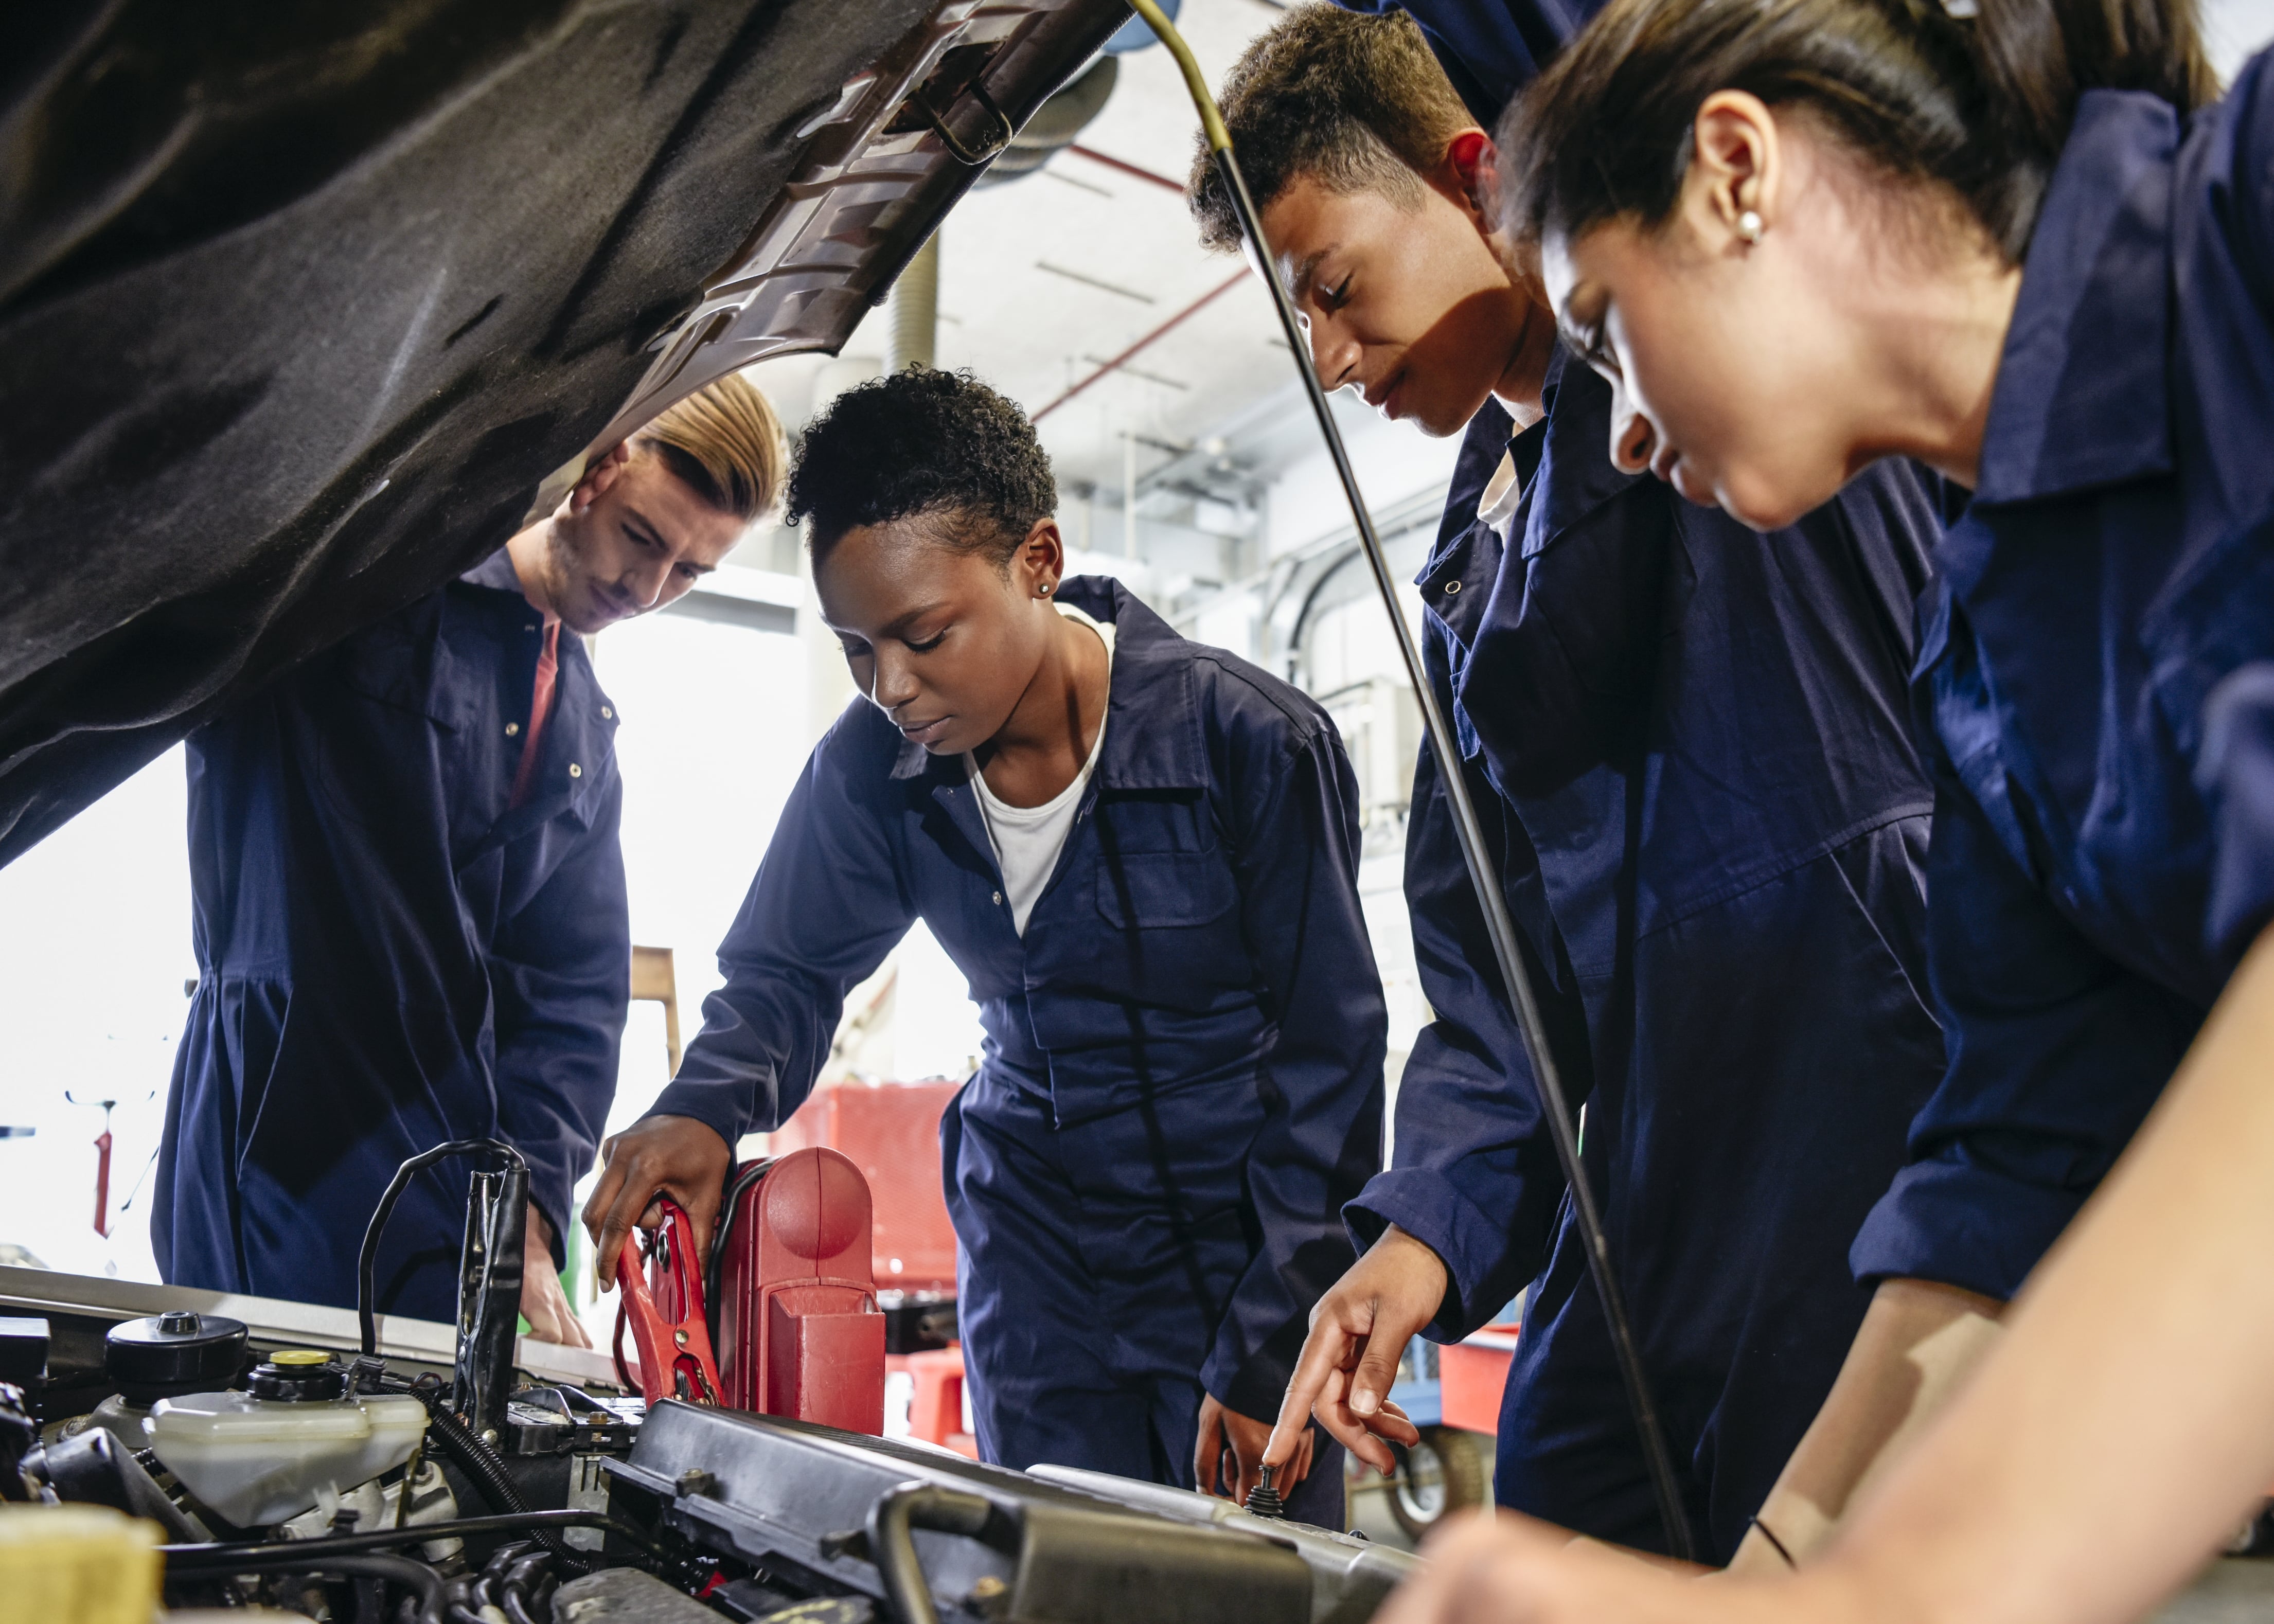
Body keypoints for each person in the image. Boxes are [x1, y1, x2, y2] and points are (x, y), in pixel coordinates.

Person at [1359, 0, 2274, 1612]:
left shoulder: (2250, 221)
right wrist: (1771, 1571)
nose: (1624, 437)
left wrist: (1882, 1597)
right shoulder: (1992, 658)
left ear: (1731, 171)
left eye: (1603, 332)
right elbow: (2007, 1173)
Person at [1186, 6, 1950, 1561]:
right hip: (1648, 1185)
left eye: (1332, 289)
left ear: (1481, 179)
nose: (1329, 361)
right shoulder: (1465, 579)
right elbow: (1498, 989)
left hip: (1875, 1098)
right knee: (1545, 1531)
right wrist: (1424, 1228)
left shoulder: (1723, 374)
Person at [582, 367, 1385, 1520]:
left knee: (1252, 1590)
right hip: (1038, 1269)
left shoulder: (1249, 745)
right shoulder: (869, 771)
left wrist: (1274, 1343)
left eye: (924, 635)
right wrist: (706, 1104)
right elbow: (787, 971)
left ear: (1037, 563)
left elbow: (1330, 1068)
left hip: (1240, 1264)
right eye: (857, 648)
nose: (890, 687)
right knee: (1042, 1574)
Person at [154, 374, 785, 1344]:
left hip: (445, 1191)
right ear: (596, 469)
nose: (649, 590)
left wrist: (524, 1215)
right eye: (643, 538)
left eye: (692, 571)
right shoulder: (376, 586)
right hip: (277, 1126)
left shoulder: (583, 736)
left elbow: (571, 1002)